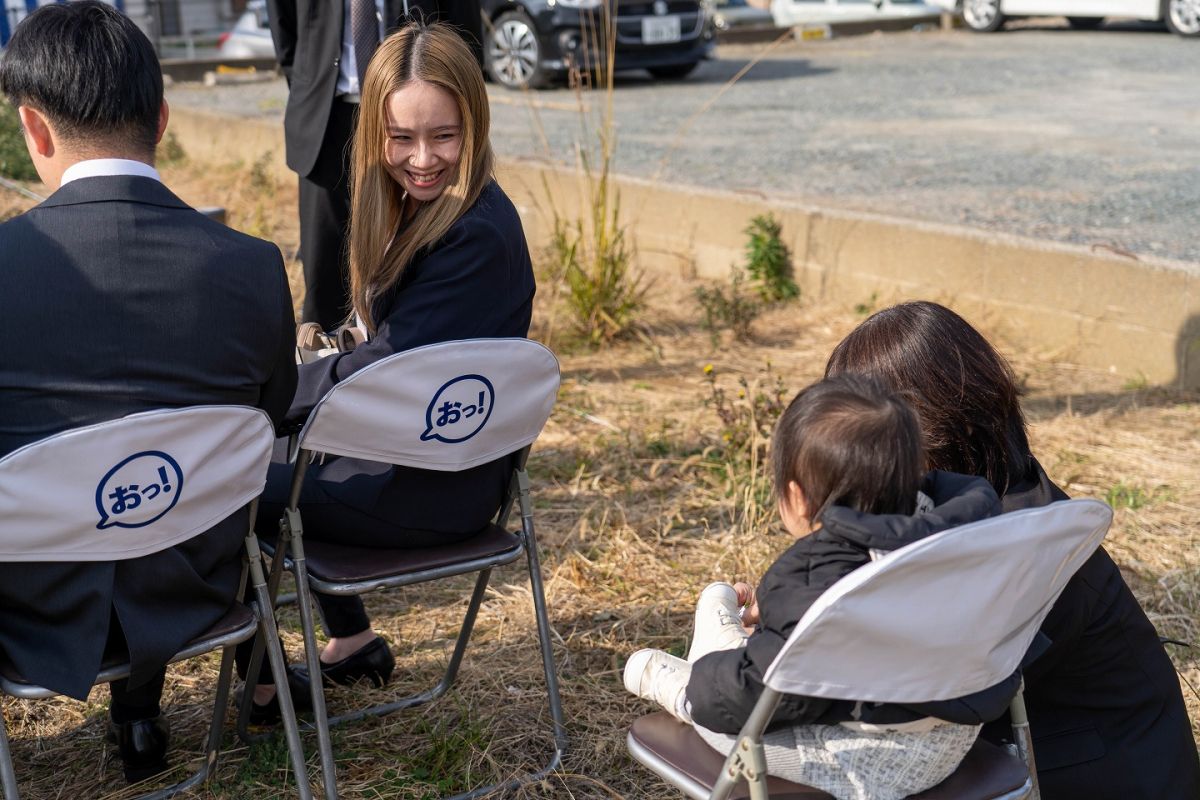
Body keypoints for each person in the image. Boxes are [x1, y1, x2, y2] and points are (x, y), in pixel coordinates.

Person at [0, 0, 297, 784]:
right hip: (200, 587)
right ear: (161, 118)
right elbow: (267, 422)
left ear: (34, 128)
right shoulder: (254, 267)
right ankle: (138, 714)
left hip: (29, 615)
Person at [245, 21, 535, 715]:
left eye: (443, 135)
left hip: (434, 488)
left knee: (226, 475)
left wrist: (266, 392)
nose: (422, 158)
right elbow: (382, 359)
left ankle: (260, 686)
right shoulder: (428, 213)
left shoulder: (472, 236)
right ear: (373, 130)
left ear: (477, 122)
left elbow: (386, 369)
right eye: (401, 137)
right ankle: (352, 641)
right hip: (423, 459)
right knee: (268, 446)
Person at [824, 300, 1200, 800]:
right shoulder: (969, 505)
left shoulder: (1023, 541)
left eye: (860, 430)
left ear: (931, 424)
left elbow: (931, 692)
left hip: (1104, 776)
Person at [623, 375, 1017, 800]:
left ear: (796, 497)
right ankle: (725, 628)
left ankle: (687, 654)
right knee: (752, 652)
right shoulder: (968, 536)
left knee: (709, 702)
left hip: (862, 762)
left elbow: (751, 704)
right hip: (950, 742)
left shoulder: (818, 579)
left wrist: (695, 694)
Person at [265, 0, 482, 331]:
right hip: (329, 112)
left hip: (414, 113)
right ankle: (326, 364)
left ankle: (403, 346)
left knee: (416, 248)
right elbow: (285, 31)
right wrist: (311, 83)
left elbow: (464, 33)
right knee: (325, 260)